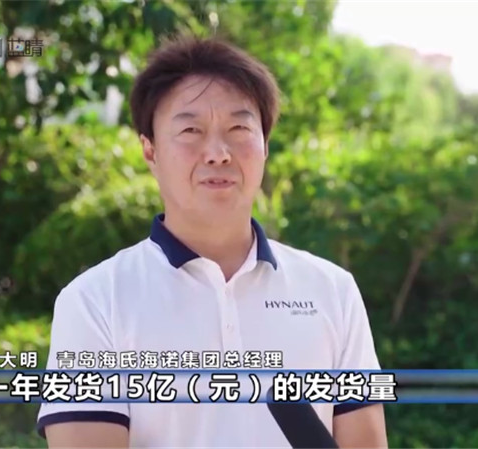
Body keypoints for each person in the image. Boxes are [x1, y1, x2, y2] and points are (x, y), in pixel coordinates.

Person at [36, 34, 388, 448]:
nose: (218, 153)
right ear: (150, 151)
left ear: (265, 145)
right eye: (191, 130)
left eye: (239, 128)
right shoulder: (95, 301)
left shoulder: (333, 290)